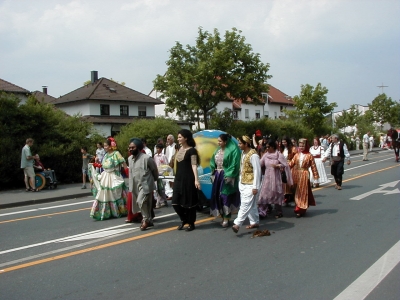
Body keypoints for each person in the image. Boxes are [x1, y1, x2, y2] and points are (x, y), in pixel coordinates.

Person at [89, 137, 128, 221]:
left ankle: (119, 211)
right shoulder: (106, 155)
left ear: (111, 146)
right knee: (104, 194)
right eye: (104, 146)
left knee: (114, 193)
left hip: (114, 176)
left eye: (106, 145)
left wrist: (128, 173)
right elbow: (104, 166)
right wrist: (97, 164)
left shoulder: (116, 153)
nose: (105, 147)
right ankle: (106, 212)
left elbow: (124, 164)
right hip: (105, 176)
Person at [209, 133, 241, 228]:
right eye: (218, 141)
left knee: (225, 196)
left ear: (225, 141)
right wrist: (213, 170)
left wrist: (230, 175)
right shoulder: (217, 151)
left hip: (226, 175)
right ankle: (223, 216)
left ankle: (227, 218)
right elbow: (212, 162)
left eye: (220, 141)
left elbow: (234, 164)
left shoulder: (232, 151)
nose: (218, 143)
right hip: (217, 175)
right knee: (217, 196)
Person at [172, 129, 201, 232]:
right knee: (175, 202)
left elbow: (194, 165)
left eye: (180, 137)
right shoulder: (179, 149)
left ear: (186, 138)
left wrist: (196, 180)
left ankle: (191, 223)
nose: (178, 139)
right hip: (178, 178)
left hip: (188, 178)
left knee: (188, 202)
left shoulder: (192, 150)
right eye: (178, 137)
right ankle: (183, 219)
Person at [232, 135, 261, 234]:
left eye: (240, 143)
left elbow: (257, 171)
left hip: (251, 184)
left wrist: (255, 187)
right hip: (243, 183)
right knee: (251, 204)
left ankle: (237, 224)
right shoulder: (243, 153)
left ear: (246, 144)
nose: (238, 145)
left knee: (245, 204)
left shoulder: (254, 155)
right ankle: (254, 222)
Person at [127, 138, 159, 230]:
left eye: (133, 147)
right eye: (129, 147)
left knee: (140, 201)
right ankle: (149, 220)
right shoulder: (130, 159)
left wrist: (154, 179)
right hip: (135, 185)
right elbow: (130, 173)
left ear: (138, 147)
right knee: (146, 204)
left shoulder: (146, 158)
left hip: (146, 184)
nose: (130, 149)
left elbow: (154, 170)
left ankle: (145, 220)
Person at [259, 139, 292, 219]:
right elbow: (260, 163)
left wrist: (278, 166)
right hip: (267, 178)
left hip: (276, 177)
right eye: (266, 147)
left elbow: (285, 165)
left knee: (276, 194)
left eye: (268, 147)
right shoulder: (266, 155)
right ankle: (263, 211)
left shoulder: (278, 155)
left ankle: (279, 211)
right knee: (264, 194)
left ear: (273, 147)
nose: (267, 149)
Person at [288, 138, 319, 218]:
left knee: (302, 192)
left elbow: (313, 167)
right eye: (300, 146)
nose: (301, 147)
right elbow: (291, 164)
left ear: (306, 146)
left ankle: (300, 209)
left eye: (303, 146)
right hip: (296, 174)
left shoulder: (309, 156)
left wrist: (316, 178)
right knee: (296, 192)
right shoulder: (297, 155)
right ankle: (299, 206)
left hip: (304, 174)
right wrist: (282, 166)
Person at [279, 137, 297, 204]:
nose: (284, 143)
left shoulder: (293, 149)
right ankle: (286, 196)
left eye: (285, 142)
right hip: (284, 166)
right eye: (283, 142)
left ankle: (293, 196)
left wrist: (290, 163)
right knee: (284, 181)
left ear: (288, 142)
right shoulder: (282, 149)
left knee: (291, 181)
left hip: (291, 167)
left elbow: (296, 157)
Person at [153, 143, 169, 208]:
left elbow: (166, 165)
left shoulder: (163, 156)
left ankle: (158, 202)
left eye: (159, 148)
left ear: (162, 149)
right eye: (157, 148)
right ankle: (163, 200)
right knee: (157, 188)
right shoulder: (155, 156)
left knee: (161, 188)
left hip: (162, 174)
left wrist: (163, 171)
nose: (157, 149)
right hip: (157, 173)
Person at [164, 134, 176, 200]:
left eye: (168, 139)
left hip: (174, 165)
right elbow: (166, 156)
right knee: (168, 180)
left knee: (173, 179)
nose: (167, 140)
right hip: (168, 165)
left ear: (172, 139)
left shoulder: (175, 146)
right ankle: (169, 194)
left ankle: (173, 193)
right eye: (167, 139)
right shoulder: (167, 148)